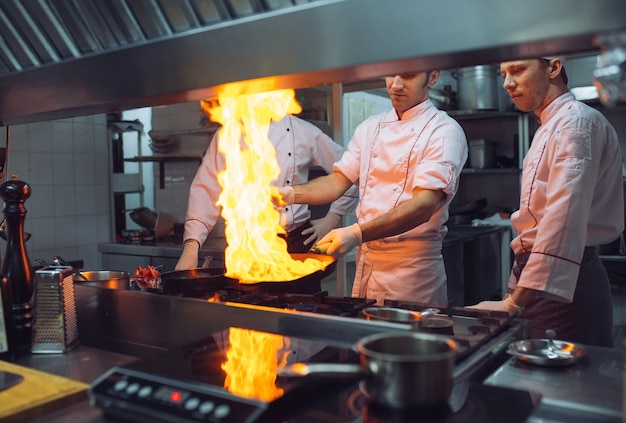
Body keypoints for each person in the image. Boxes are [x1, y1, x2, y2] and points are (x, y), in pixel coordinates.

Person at [275, 71, 468, 305]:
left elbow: (423, 205)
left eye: (408, 75)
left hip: (412, 274)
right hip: (367, 264)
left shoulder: (444, 131)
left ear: (433, 76)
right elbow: (337, 181)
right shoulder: (370, 128)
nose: (395, 84)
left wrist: (357, 233)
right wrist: (288, 194)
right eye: (390, 74)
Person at [469, 57, 624, 347]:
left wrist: (515, 302)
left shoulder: (575, 124)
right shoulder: (552, 124)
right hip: (544, 283)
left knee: (556, 386)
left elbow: (562, 220)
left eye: (517, 70)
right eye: (503, 74)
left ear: (553, 68)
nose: (506, 83)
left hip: (561, 288)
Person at [176, 113, 358, 270]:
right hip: (247, 245)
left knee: (302, 306)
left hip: (296, 243)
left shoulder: (302, 131)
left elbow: (352, 173)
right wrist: (191, 246)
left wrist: (333, 218)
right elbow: (206, 189)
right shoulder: (228, 134)